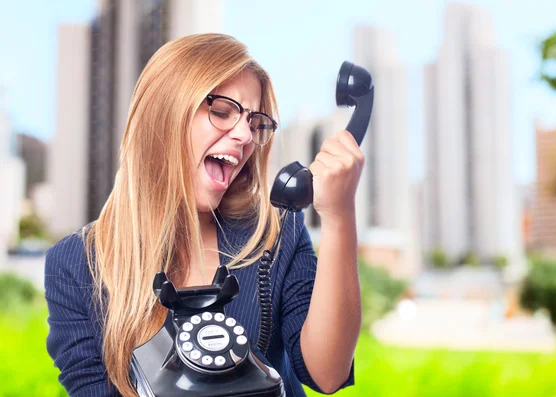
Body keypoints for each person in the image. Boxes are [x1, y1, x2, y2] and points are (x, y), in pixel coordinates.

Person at [45, 33, 363, 397]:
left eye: (255, 121)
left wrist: (338, 216)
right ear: (165, 114)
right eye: (223, 111)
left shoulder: (276, 232)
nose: (244, 135)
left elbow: (327, 374)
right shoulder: (76, 263)